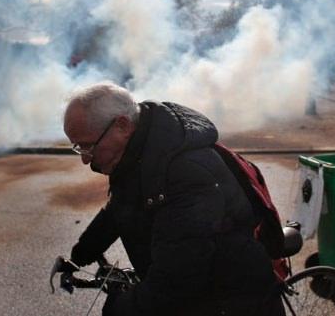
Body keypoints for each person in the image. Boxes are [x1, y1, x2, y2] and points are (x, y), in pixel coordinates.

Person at [63, 83, 284, 316]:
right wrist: (79, 256)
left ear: (122, 125)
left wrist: (119, 309)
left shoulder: (186, 172)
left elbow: (176, 276)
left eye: (88, 146)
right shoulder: (138, 154)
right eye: (79, 148)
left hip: (234, 302)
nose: (85, 160)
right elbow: (120, 209)